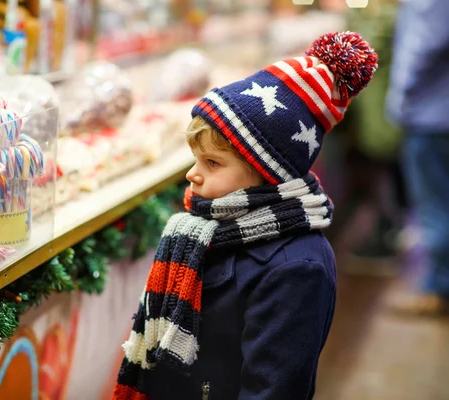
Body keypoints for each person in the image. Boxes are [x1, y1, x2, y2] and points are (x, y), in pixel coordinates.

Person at [113, 32, 377, 399]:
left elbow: (272, 388)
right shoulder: (212, 229)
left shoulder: (297, 268)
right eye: (196, 158)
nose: (192, 173)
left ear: (267, 173)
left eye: (212, 162)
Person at [386, 0, 449, 315]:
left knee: (436, 207)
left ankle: (438, 289)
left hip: (433, 114)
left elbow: (425, 40)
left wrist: (399, 98)